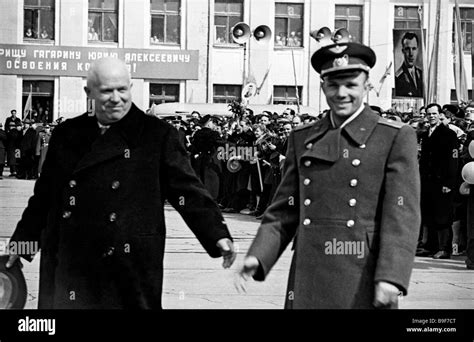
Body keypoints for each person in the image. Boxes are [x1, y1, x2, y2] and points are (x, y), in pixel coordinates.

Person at [4, 57, 235, 309]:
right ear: (88, 92)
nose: (116, 98)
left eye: (122, 89)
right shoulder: (67, 133)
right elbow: (45, 196)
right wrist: (21, 242)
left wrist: (217, 234)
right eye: (106, 91)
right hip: (69, 262)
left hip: (129, 264)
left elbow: (188, 192)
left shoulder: (157, 135)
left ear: (130, 88)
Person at [236, 41, 421, 309]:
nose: (341, 93)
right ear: (322, 86)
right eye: (332, 85)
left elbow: (402, 215)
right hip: (310, 274)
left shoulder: (393, 137)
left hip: (364, 275)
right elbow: (283, 210)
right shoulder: (303, 137)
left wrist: (392, 277)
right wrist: (259, 255)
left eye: (351, 85)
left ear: (367, 85)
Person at [417, 103, 459, 259]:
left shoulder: (448, 134)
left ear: (440, 115)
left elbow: (453, 161)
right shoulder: (425, 134)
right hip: (428, 182)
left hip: (443, 182)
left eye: (434, 113)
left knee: (443, 216)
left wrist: (449, 183)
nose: (431, 116)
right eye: (429, 114)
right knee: (429, 214)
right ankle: (430, 246)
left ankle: (444, 248)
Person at [395, 32, 423, 97]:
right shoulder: (398, 78)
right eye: (407, 49)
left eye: (414, 49)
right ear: (403, 51)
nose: (411, 54)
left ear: (417, 50)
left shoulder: (421, 74)